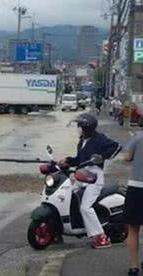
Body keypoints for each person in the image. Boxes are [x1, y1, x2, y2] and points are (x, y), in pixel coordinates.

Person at [60, 113, 121, 249]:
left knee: (85, 207)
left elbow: (117, 146)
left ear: (88, 128)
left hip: (94, 178)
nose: (78, 129)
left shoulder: (99, 139)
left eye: (80, 127)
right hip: (81, 176)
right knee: (65, 196)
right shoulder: (82, 140)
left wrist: (102, 157)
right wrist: (68, 161)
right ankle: (60, 230)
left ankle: (101, 237)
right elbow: (80, 160)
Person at [124, 131, 143, 275]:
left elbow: (127, 157)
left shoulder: (137, 137)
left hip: (136, 187)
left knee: (133, 228)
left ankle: (133, 266)